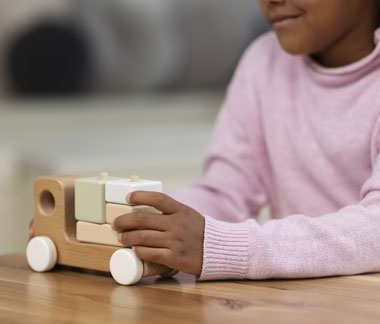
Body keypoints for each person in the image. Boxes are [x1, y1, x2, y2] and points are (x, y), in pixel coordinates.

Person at [31, 0, 380, 281]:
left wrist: (222, 247)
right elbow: (225, 191)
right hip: (296, 308)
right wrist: (135, 230)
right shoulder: (263, 62)